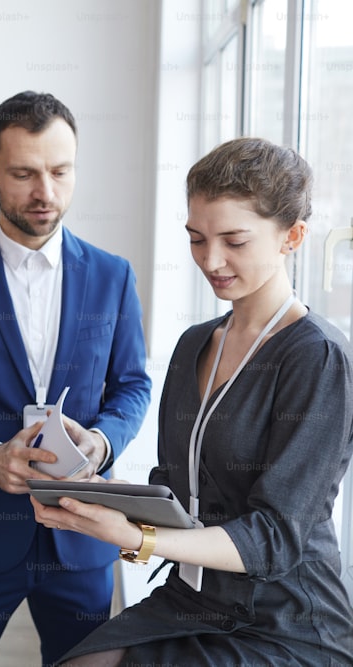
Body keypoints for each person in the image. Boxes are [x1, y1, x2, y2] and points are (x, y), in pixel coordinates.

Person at [32, 137, 353, 666]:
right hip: (194, 598)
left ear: (291, 237)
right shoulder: (195, 344)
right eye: (197, 239)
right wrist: (93, 489)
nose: (212, 260)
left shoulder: (317, 357)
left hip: (284, 618)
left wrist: (137, 537)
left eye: (234, 240)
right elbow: (178, 490)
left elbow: (273, 537)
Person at [0, 91, 152, 666]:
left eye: (60, 171)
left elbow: (132, 386)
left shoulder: (112, 276)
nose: (46, 193)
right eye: (24, 174)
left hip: (85, 537)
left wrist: (103, 439)